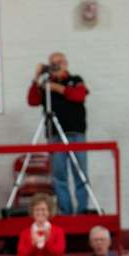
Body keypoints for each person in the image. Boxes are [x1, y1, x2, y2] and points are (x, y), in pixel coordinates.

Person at [27, 52, 90, 215]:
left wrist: (57, 88)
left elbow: (79, 96)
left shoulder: (75, 80)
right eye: (52, 64)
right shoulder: (45, 85)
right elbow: (32, 100)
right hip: (54, 135)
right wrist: (36, 77)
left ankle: (82, 210)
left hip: (76, 133)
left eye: (59, 62)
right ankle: (65, 210)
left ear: (66, 63)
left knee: (80, 173)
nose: (56, 66)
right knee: (59, 175)